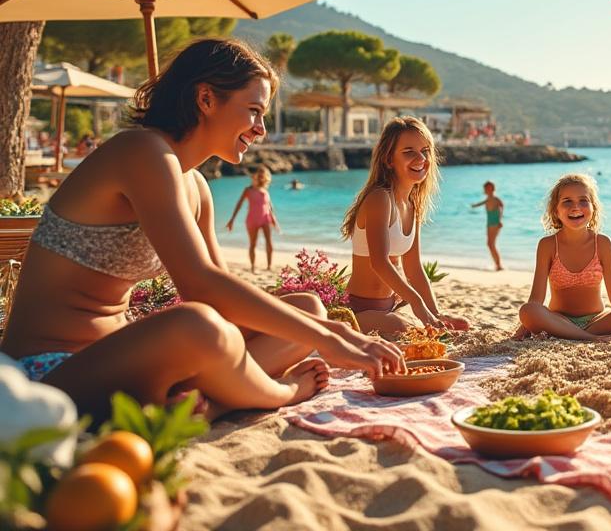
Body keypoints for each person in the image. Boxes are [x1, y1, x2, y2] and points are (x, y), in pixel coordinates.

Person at [0, 38, 402, 422]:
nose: (261, 129)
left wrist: (328, 328)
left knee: (308, 308)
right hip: (50, 371)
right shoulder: (141, 151)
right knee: (199, 326)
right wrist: (331, 339)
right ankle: (272, 393)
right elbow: (201, 287)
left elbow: (224, 298)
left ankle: (212, 401)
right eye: (254, 111)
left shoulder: (194, 186)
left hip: (123, 361)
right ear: (206, 98)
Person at [341, 117, 470, 336]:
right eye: (409, 152)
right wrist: (418, 305)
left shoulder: (412, 205)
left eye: (425, 151)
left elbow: (414, 268)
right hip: (360, 310)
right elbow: (379, 262)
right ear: (388, 159)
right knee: (403, 329)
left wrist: (434, 313)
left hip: (392, 306)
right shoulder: (380, 198)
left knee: (461, 325)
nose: (421, 158)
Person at [516, 174, 611, 340]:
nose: (576, 207)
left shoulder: (602, 243)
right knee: (528, 310)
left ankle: (576, 336)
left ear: (593, 207)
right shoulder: (547, 245)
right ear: (556, 210)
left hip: (597, 321)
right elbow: (536, 300)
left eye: (583, 200)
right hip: (559, 321)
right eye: (567, 201)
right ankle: (589, 338)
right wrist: (526, 323)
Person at [226, 166, 280, 272]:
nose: (260, 177)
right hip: (252, 220)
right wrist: (232, 219)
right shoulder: (248, 190)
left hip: (265, 218)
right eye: (258, 175)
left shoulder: (265, 190)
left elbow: (269, 206)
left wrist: (274, 220)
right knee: (253, 244)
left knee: (269, 242)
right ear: (254, 176)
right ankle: (253, 267)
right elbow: (239, 204)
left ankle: (269, 266)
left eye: (262, 175)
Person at [471, 181, 505, 271]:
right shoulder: (487, 199)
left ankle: (498, 265)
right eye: (486, 188)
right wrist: (473, 206)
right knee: (490, 244)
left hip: (495, 223)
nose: (486, 190)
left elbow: (502, 207)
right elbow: (481, 203)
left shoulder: (496, 199)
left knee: (491, 244)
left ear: (492, 189)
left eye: (488, 188)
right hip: (489, 224)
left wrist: (500, 220)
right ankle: (497, 265)